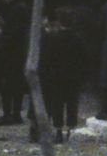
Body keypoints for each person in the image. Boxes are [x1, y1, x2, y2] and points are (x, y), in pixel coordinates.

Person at [37, 11, 88, 142]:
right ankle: (70, 130)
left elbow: (47, 58)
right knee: (72, 103)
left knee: (57, 104)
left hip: (56, 76)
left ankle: (58, 130)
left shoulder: (53, 38)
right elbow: (84, 58)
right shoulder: (78, 38)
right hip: (73, 76)